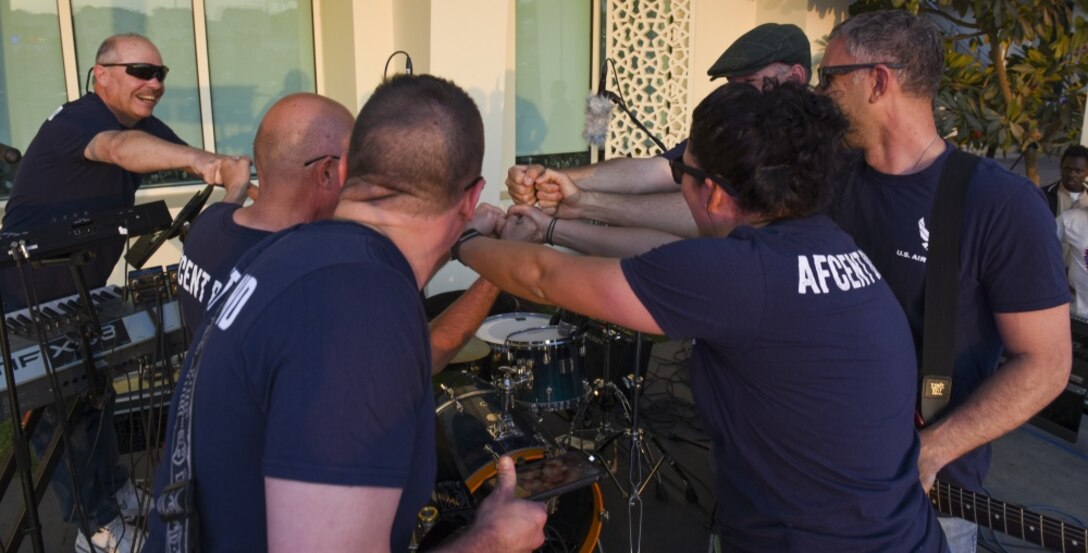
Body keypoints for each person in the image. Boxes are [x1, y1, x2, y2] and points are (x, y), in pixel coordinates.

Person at [459, 81, 947, 552]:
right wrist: (555, 227)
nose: (679, 184)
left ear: (713, 194)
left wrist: (465, 238)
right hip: (903, 533)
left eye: (681, 175)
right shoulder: (826, 244)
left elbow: (544, 278)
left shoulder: (742, 276)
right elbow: (663, 260)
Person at [146, 74, 546, 552]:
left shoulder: (293, 255)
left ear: (351, 168)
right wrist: (495, 539)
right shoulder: (358, 321)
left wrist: (465, 243)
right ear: (472, 197)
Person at [820, 11, 1071, 552]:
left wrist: (931, 450)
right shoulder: (829, 178)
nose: (820, 94)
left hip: (929, 505)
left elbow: (1048, 363)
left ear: (878, 80)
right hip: (814, 481)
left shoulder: (999, 203)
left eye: (830, 79)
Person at [0, 33, 250, 553]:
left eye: (161, 73)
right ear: (102, 75)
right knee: (61, 413)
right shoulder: (81, 120)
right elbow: (119, 150)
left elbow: (179, 154)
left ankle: (111, 493)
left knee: (95, 397)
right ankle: (94, 529)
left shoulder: (142, 125)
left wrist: (245, 176)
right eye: (141, 71)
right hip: (22, 298)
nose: (154, 83)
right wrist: (202, 163)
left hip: (77, 295)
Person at [175, 91, 503, 371]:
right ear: (328, 172)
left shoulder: (209, 226)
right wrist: (497, 275)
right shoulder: (312, 280)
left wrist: (457, 232)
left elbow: (392, 276)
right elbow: (422, 358)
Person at [506, 22, 812, 249]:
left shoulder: (812, 151)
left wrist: (585, 203)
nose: (737, 94)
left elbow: (711, 211)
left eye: (749, 81)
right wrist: (550, 179)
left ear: (796, 78)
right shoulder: (735, 132)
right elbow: (651, 171)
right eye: (733, 84)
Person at [1043, 145, 1088, 269]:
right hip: (1050, 269)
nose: (1072, 174)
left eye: (1078, 171)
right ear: (1061, 167)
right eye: (1067, 169)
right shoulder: (1043, 196)